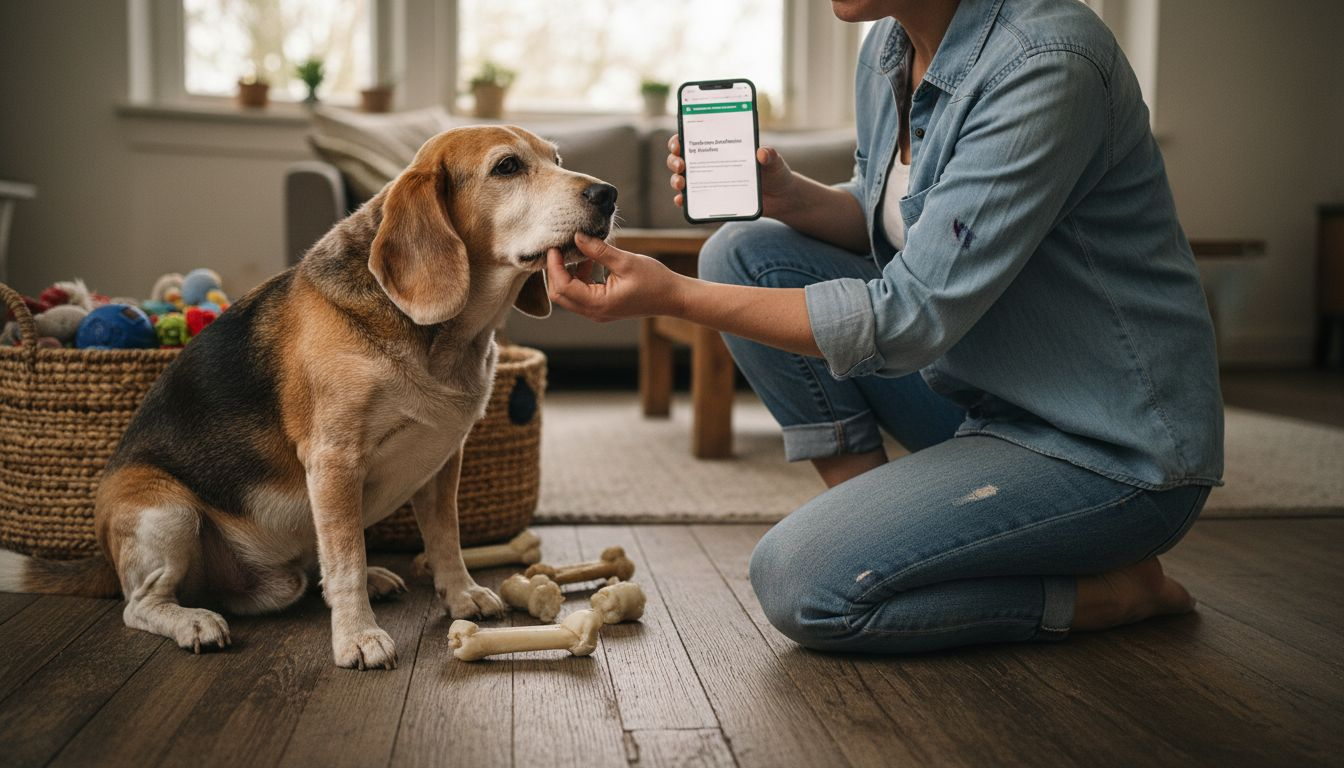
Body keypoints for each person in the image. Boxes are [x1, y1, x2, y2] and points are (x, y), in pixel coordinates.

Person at [545, 0, 1223, 654]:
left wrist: (677, 297)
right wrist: (790, 197)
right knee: (742, 250)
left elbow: (909, 317)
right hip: (982, 400)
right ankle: (890, 533)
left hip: (1106, 448)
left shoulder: (1046, 65)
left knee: (803, 583)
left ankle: (1109, 594)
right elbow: (889, 222)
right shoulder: (889, 50)